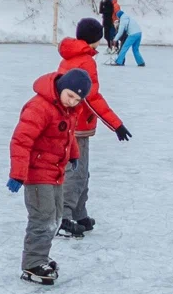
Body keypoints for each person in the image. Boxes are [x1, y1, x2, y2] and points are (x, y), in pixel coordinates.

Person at [7, 69, 92, 285]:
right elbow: (21, 140)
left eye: (77, 99)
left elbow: (68, 134)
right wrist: (18, 173)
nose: (72, 102)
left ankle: (41, 256)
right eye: (70, 95)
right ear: (61, 87)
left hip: (55, 172)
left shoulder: (66, 110)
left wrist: (74, 154)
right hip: (37, 174)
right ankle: (32, 264)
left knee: (54, 218)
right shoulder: (40, 107)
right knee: (42, 217)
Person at [56, 18, 131, 238]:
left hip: (69, 122)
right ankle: (64, 218)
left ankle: (79, 214)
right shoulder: (86, 61)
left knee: (79, 170)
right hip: (77, 126)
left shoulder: (70, 56)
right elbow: (90, 97)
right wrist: (115, 124)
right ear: (95, 39)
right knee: (76, 172)